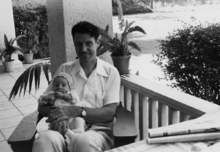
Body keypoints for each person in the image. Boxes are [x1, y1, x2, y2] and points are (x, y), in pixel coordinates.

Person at [32, 21, 121, 152]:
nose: (83, 49)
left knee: (83, 141)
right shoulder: (64, 69)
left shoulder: (111, 72)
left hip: (97, 132)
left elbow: (109, 113)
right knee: (44, 140)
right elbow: (42, 105)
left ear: (97, 42)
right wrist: (58, 116)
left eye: (88, 43)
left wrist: (77, 111)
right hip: (63, 129)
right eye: (78, 44)